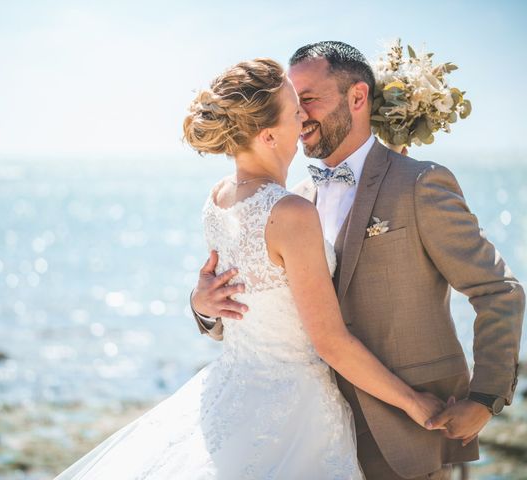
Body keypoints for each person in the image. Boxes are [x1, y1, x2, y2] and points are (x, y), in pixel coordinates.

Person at [55, 58, 445, 480]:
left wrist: (200, 304)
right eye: (295, 110)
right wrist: (413, 403)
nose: (304, 118)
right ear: (268, 134)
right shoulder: (291, 213)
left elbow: (239, 301)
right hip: (294, 413)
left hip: (229, 393)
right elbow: (330, 342)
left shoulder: (219, 198)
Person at [190, 42, 525, 479]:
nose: (301, 114)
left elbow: (497, 290)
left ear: (358, 97)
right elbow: (254, 306)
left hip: (406, 435)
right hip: (306, 433)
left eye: (308, 99)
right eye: (294, 101)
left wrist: (485, 398)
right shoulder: (291, 204)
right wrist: (202, 307)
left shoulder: (418, 185)